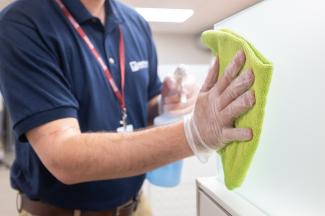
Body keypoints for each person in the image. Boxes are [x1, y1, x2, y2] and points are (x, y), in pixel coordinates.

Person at [0, 0, 255, 215]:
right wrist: (193, 135)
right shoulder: (23, 22)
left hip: (135, 205)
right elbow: (63, 157)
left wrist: (167, 103)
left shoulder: (134, 23)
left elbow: (146, 105)